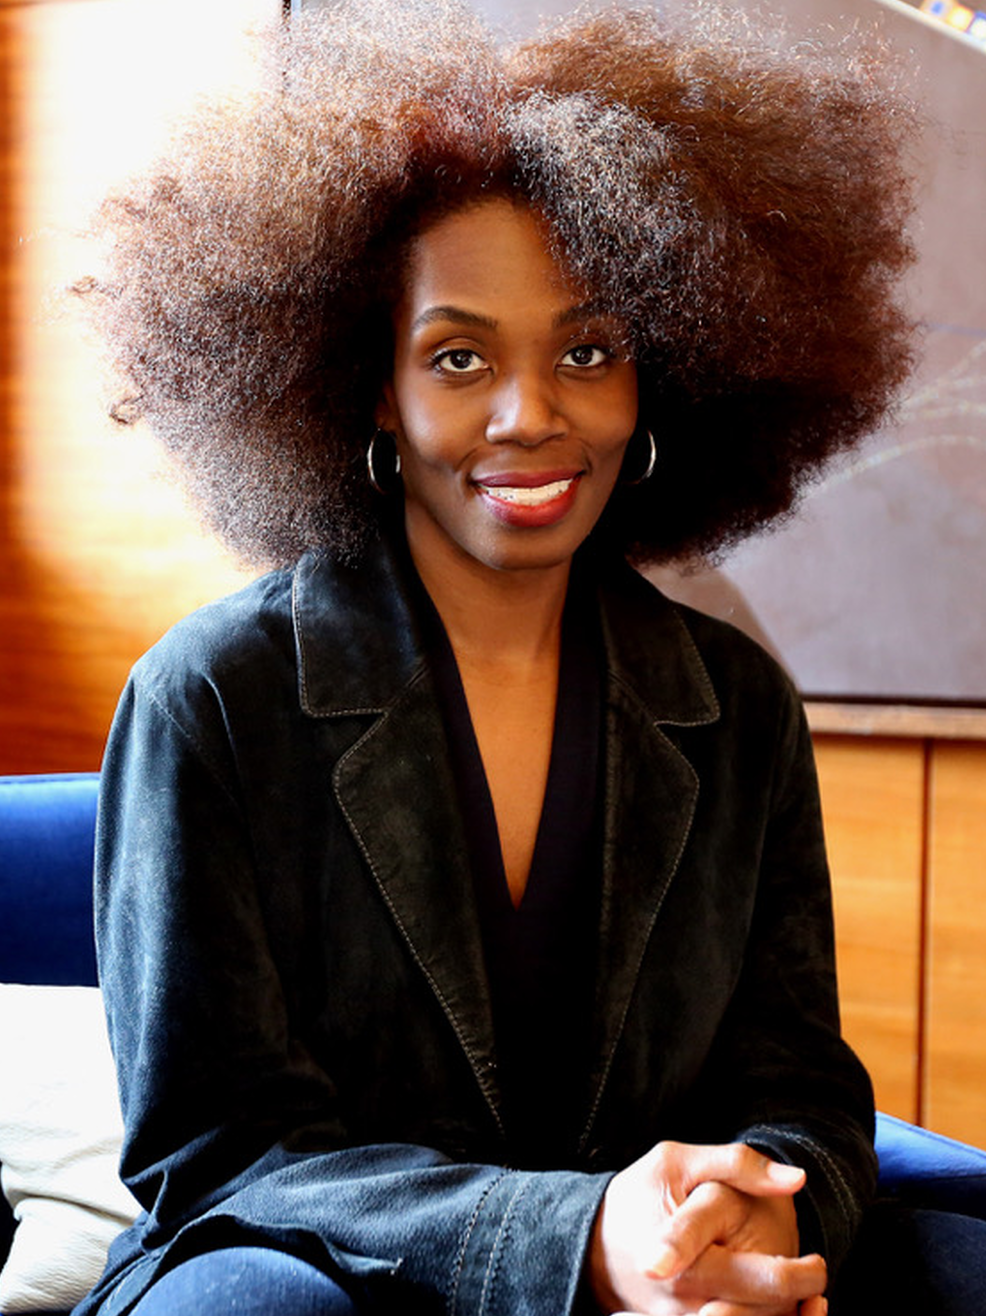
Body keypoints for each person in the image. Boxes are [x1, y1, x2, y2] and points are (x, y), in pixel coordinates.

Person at [70, 2, 929, 1313]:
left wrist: (755, 1207)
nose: (530, 416)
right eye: (458, 357)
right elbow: (217, 1152)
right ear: (372, 384)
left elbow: (795, 1078)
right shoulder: (214, 699)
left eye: (587, 351)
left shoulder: (735, 704)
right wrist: (577, 1242)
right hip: (330, 1278)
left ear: (662, 367)